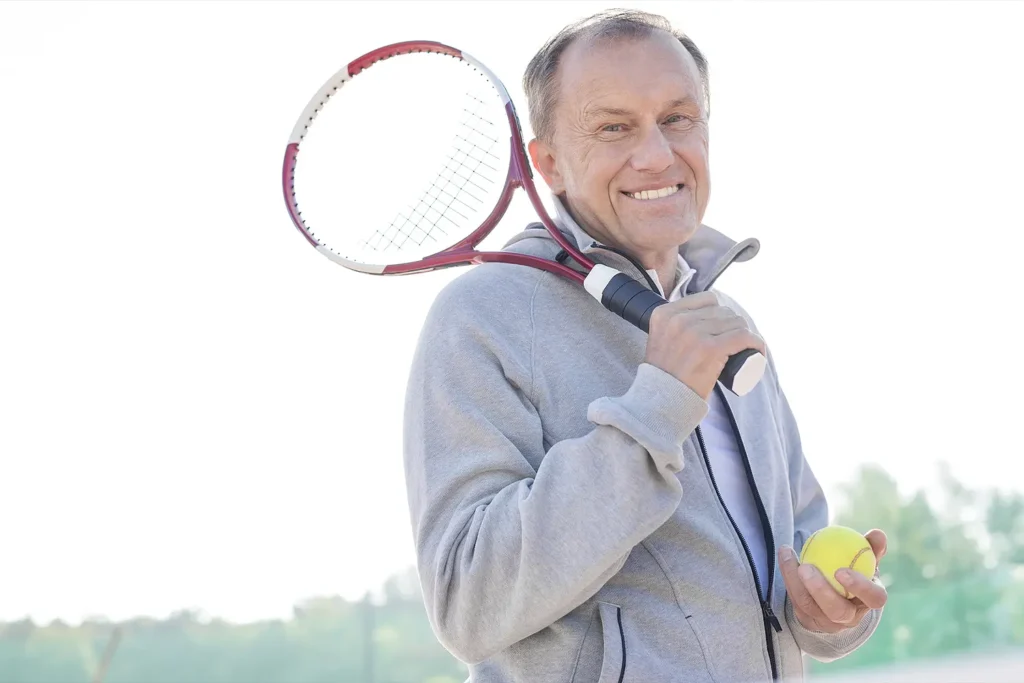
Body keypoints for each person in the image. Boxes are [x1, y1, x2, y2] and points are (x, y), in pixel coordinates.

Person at [403, 9, 887, 682]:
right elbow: (468, 602)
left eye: (678, 118)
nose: (657, 154)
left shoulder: (725, 318)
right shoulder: (483, 315)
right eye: (613, 127)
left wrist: (824, 610)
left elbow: (789, 552)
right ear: (548, 163)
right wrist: (659, 402)